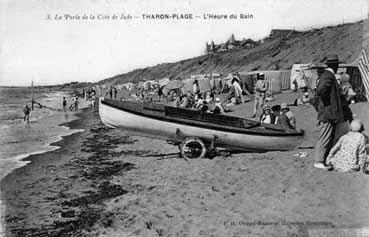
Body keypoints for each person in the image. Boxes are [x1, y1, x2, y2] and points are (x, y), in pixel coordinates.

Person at [311, 54, 344, 170]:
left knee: (327, 136)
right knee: (324, 137)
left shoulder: (326, 75)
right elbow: (321, 90)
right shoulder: (328, 76)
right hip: (327, 113)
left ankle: (323, 160)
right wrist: (326, 105)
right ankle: (319, 161)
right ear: (335, 65)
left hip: (327, 112)